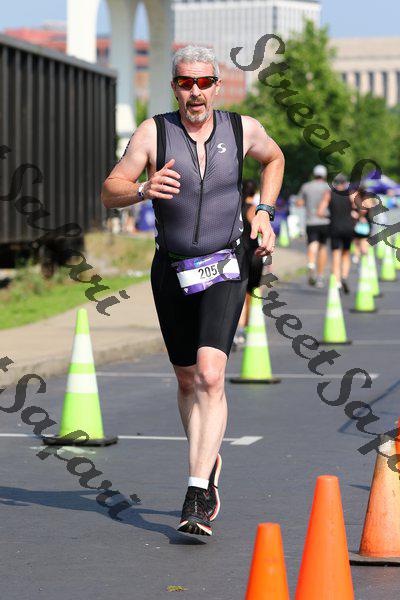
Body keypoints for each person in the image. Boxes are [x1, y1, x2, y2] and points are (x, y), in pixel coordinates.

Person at [101, 45, 284, 537]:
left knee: (210, 374)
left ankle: (198, 490)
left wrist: (264, 212)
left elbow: (275, 159)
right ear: (174, 87)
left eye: (204, 82)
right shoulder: (153, 133)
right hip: (172, 269)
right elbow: (110, 190)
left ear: (216, 86)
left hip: (226, 264)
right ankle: (209, 457)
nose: (196, 92)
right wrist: (142, 189)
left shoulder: (242, 129)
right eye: (186, 83)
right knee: (186, 381)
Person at [234, 179, 264, 347]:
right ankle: (245, 327)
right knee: (250, 293)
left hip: (237, 253)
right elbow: (259, 230)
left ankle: (236, 328)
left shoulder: (235, 208)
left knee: (236, 292)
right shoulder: (254, 209)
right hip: (252, 254)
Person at [317, 173, 356, 293]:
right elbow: (359, 208)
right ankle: (344, 276)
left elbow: (320, 212)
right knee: (346, 253)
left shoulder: (329, 194)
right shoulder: (351, 194)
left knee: (335, 254)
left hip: (334, 226)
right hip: (348, 227)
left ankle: (337, 281)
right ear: (345, 183)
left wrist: (329, 216)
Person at [296, 165, 330, 287]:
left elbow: (299, 203)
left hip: (311, 221)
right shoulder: (327, 187)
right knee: (323, 247)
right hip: (325, 221)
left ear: (314, 174)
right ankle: (320, 276)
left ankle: (311, 264)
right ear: (325, 175)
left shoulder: (306, 186)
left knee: (313, 243)